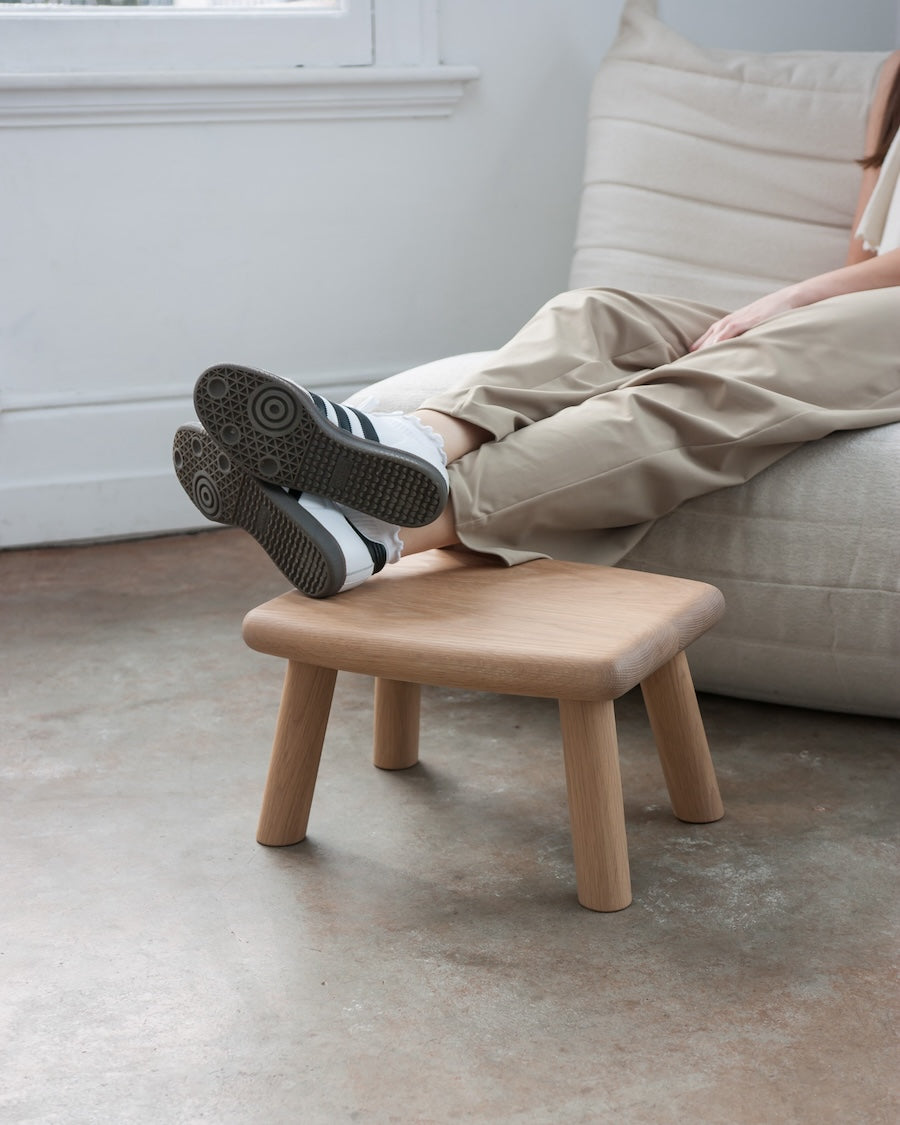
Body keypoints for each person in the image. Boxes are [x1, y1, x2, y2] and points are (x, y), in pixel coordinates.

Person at [174, 51, 900, 599]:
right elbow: (866, 250)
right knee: (598, 316)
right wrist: (805, 301)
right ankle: (419, 441)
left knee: (707, 388)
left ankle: (387, 528)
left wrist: (799, 298)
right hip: (855, 305)